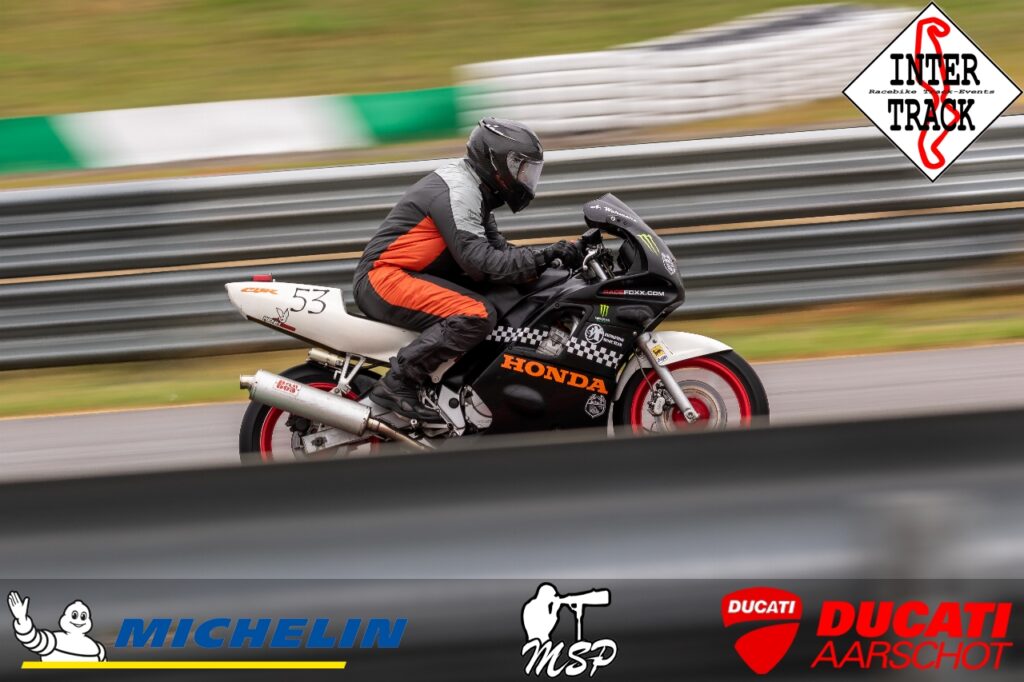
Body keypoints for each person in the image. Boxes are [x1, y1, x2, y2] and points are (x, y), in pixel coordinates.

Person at [354, 118, 583, 421]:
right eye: (521, 169)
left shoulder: (476, 190)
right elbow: (481, 264)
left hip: (407, 276)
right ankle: (399, 382)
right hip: (384, 278)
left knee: (505, 296)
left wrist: (551, 260)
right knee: (476, 314)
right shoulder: (460, 192)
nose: (525, 179)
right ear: (496, 161)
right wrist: (541, 257)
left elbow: (498, 252)